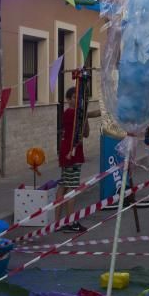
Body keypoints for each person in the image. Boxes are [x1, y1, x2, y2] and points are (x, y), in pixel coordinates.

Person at [58, 86, 89, 232]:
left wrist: (86, 114)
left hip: (69, 151)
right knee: (71, 186)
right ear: (68, 99)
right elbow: (84, 132)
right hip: (72, 152)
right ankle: (70, 222)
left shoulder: (77, 114)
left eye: (79, 98)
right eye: (74, 97)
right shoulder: (72, 113)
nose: (77, 100)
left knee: (64, 184)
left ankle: (57, 222)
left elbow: (85, 132)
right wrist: (86, 114)